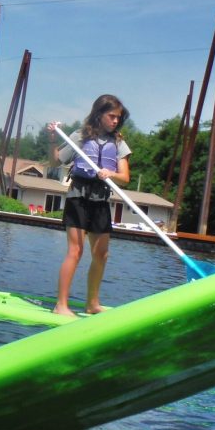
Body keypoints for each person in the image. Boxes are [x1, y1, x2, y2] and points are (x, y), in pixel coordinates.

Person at [47, 94, 131, 317]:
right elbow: (56, 161)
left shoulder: (118, 142)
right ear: (99, 114)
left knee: (101, 253)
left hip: (101, 198)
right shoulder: (80, 136)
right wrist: (53, 139)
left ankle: (92, 304)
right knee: (75, 250)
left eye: (118, 118)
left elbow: (125, 177)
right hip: (79, 196)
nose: (115, 121)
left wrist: (110, 173)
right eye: (111, 116)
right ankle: (61, 305)